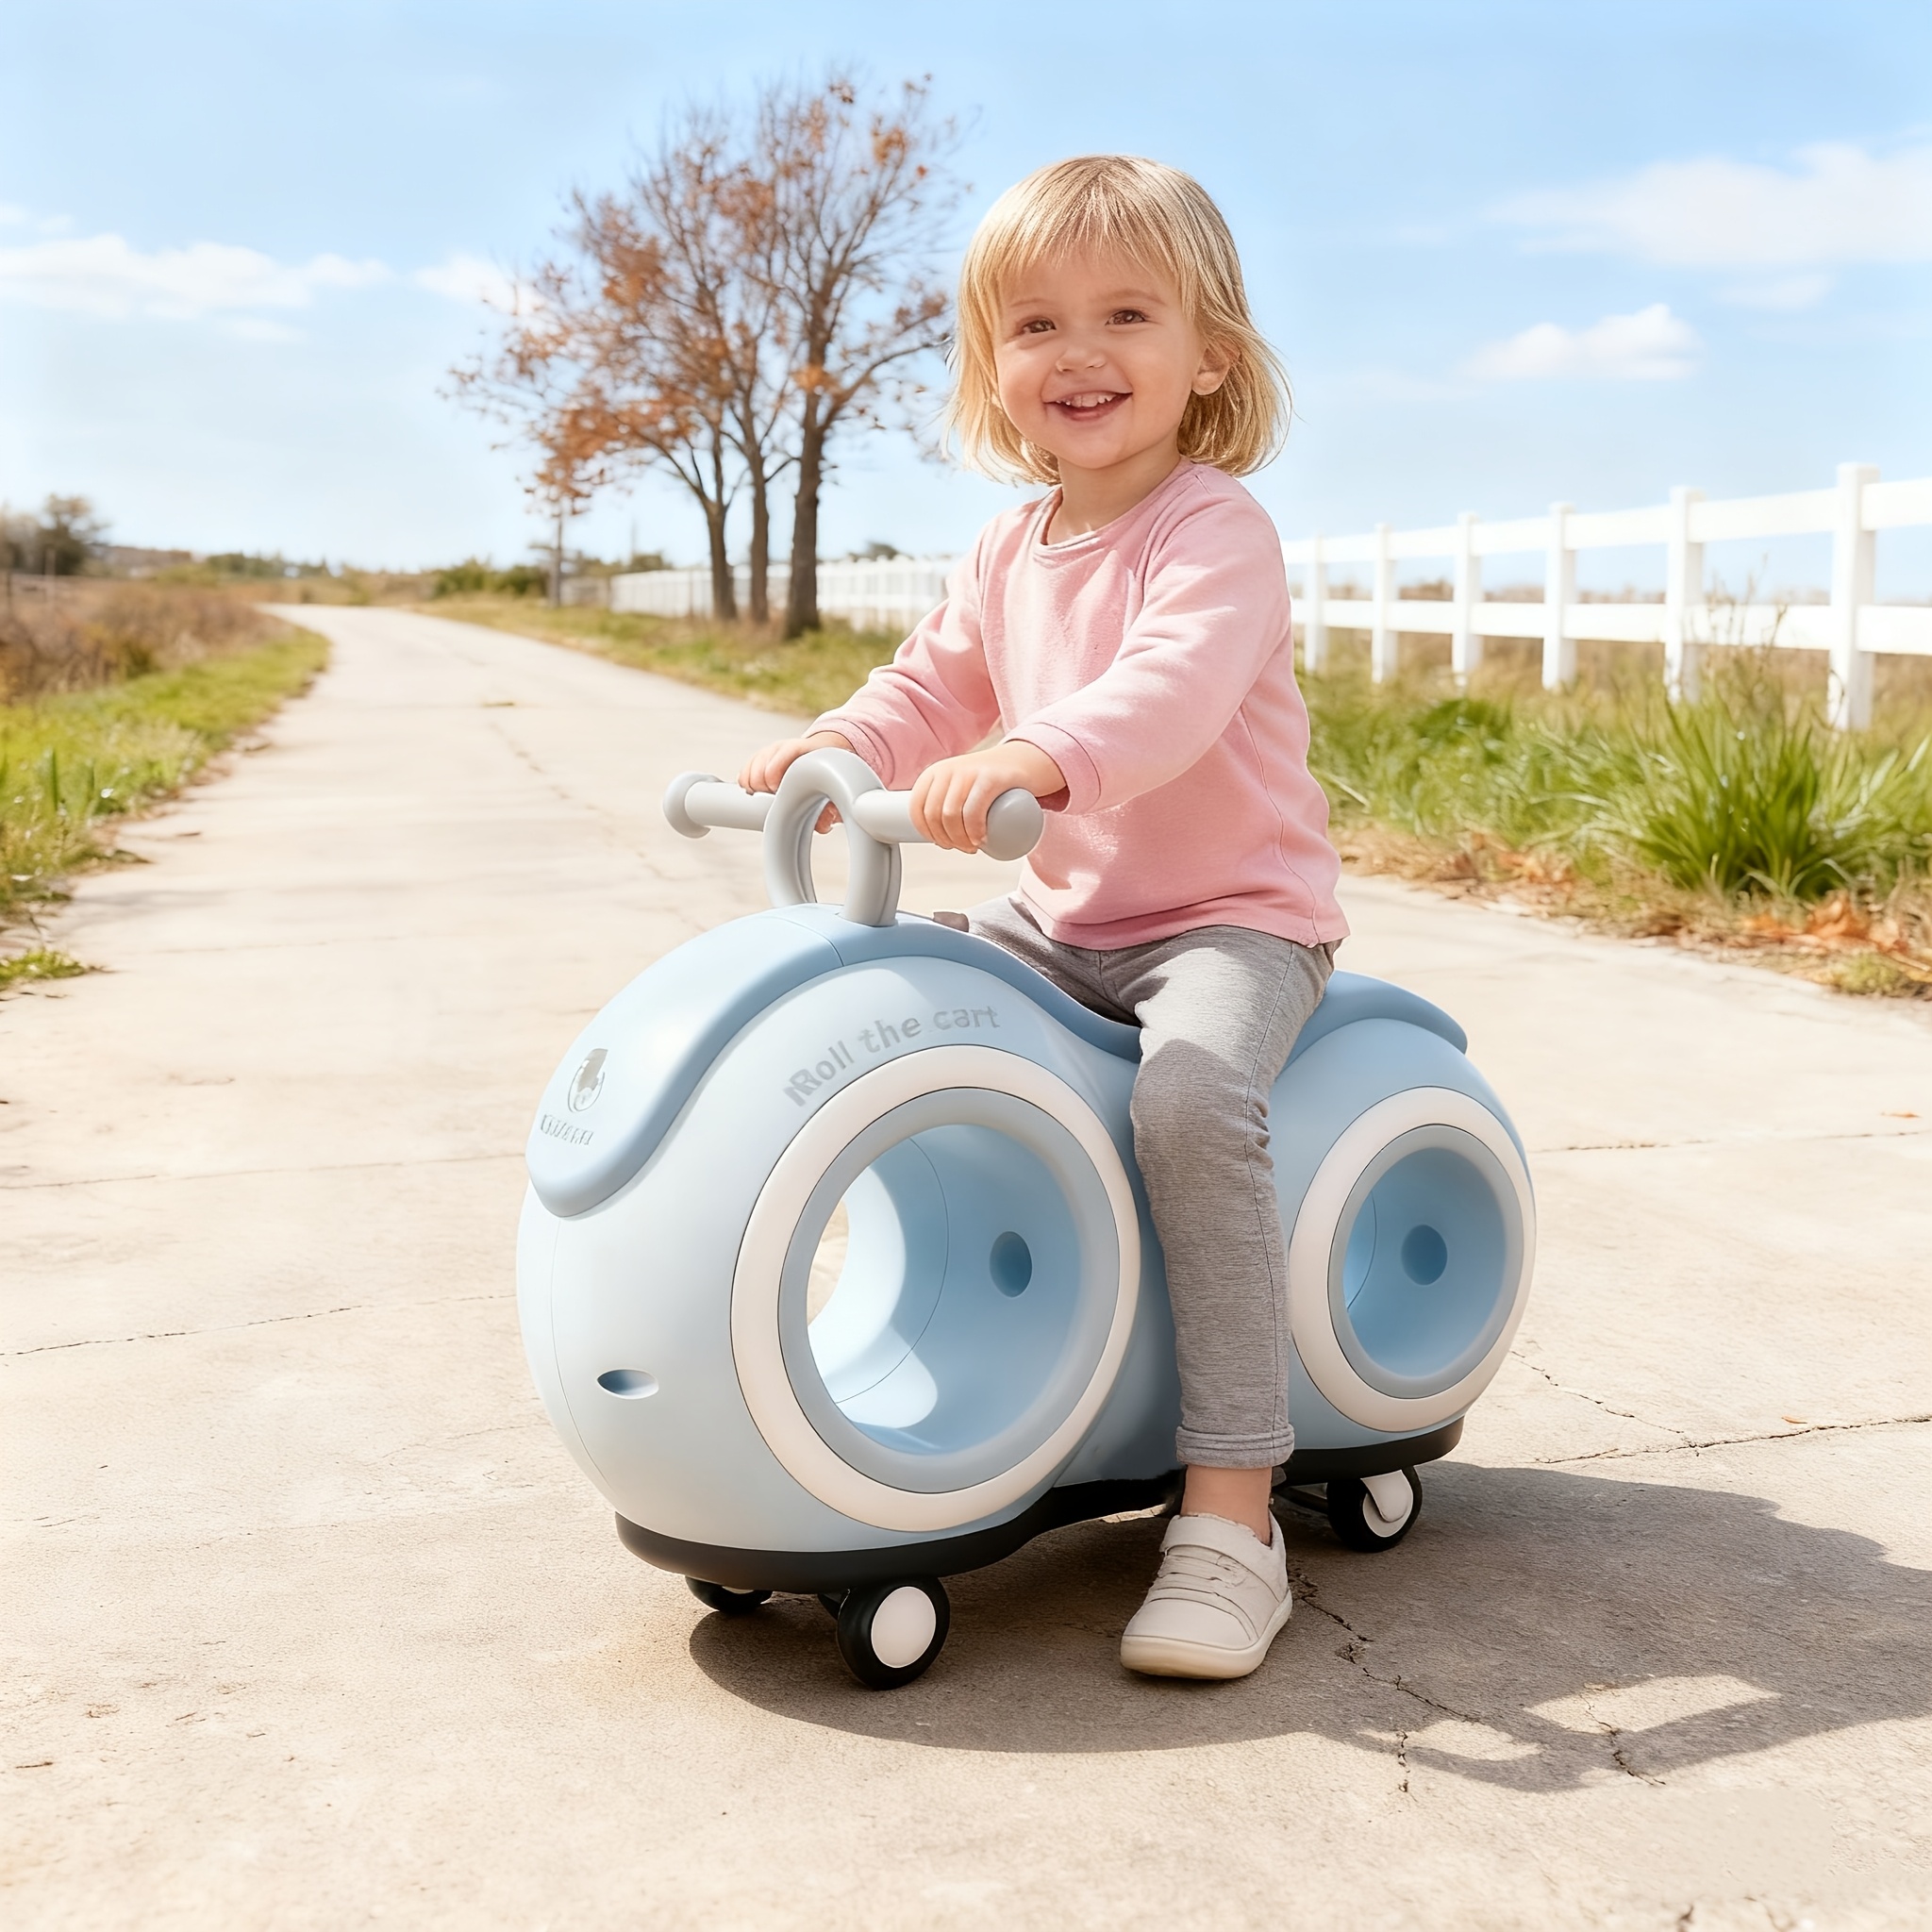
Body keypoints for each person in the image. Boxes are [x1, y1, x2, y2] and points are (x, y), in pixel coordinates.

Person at [740, 155, 1347, 1681]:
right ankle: (947, 1367)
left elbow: (1169, 694)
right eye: (1035, 324)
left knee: (1196, 1095)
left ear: (1209, 352)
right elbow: (923, 686)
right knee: (890, 998)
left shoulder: (1215, 532)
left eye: (1126, 313)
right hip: (1063, 917)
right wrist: (838, 753)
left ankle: (1230, 1507)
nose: (1078, 354)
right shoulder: (1008, 547)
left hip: (1229, 919)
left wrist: (1037, 755)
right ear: (992, 367)